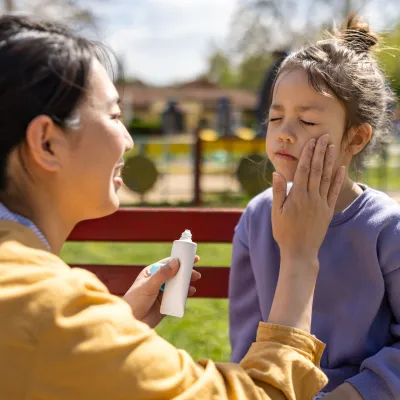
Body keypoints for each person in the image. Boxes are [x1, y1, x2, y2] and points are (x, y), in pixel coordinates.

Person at [0, 14, 345, 399]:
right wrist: (298, 258)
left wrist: (118, 326)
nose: (128, 141)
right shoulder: (49, 309)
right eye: (114, 116)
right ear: (47, 142)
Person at [229, 15, 399, 400]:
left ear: (355, 138)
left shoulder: (386, 228)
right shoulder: (258, 217)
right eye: (275, 117)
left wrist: (357, 392)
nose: (285, 131)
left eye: (306, 120)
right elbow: (245, 337)